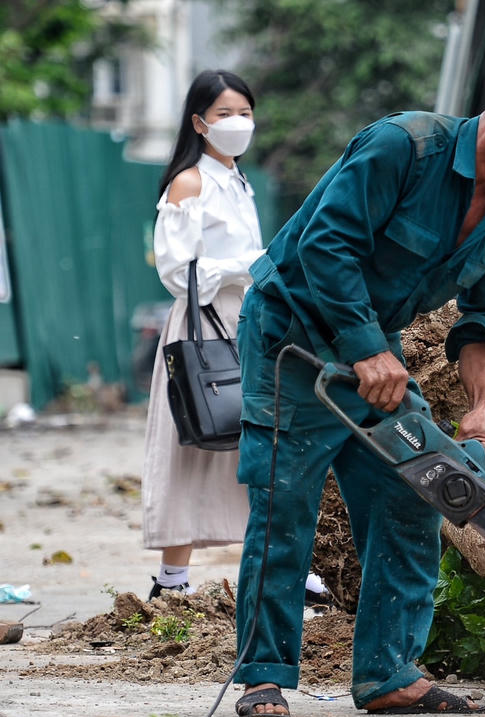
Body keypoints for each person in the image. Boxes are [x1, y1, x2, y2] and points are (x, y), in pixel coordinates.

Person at [231, 40, 485, 717]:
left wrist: (482, 411)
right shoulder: (403, 148)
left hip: (375, 353)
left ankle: (388, 672)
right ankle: (263, 675)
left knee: (418, 490)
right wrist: (367, 348)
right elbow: (326, 245)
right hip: (292, 338)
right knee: (285, 504)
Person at [142, 70, 263, 599]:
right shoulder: (189, 181)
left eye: (245, 113)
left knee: (254, 441)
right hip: (203, 324)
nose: (238, 123)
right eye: (224, 114)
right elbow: (177, 273)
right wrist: (247, 265)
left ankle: (278, 570)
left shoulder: (237, 179)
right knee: (195, 436)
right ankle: (172, 580)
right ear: (199, 122)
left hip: (245, 321)